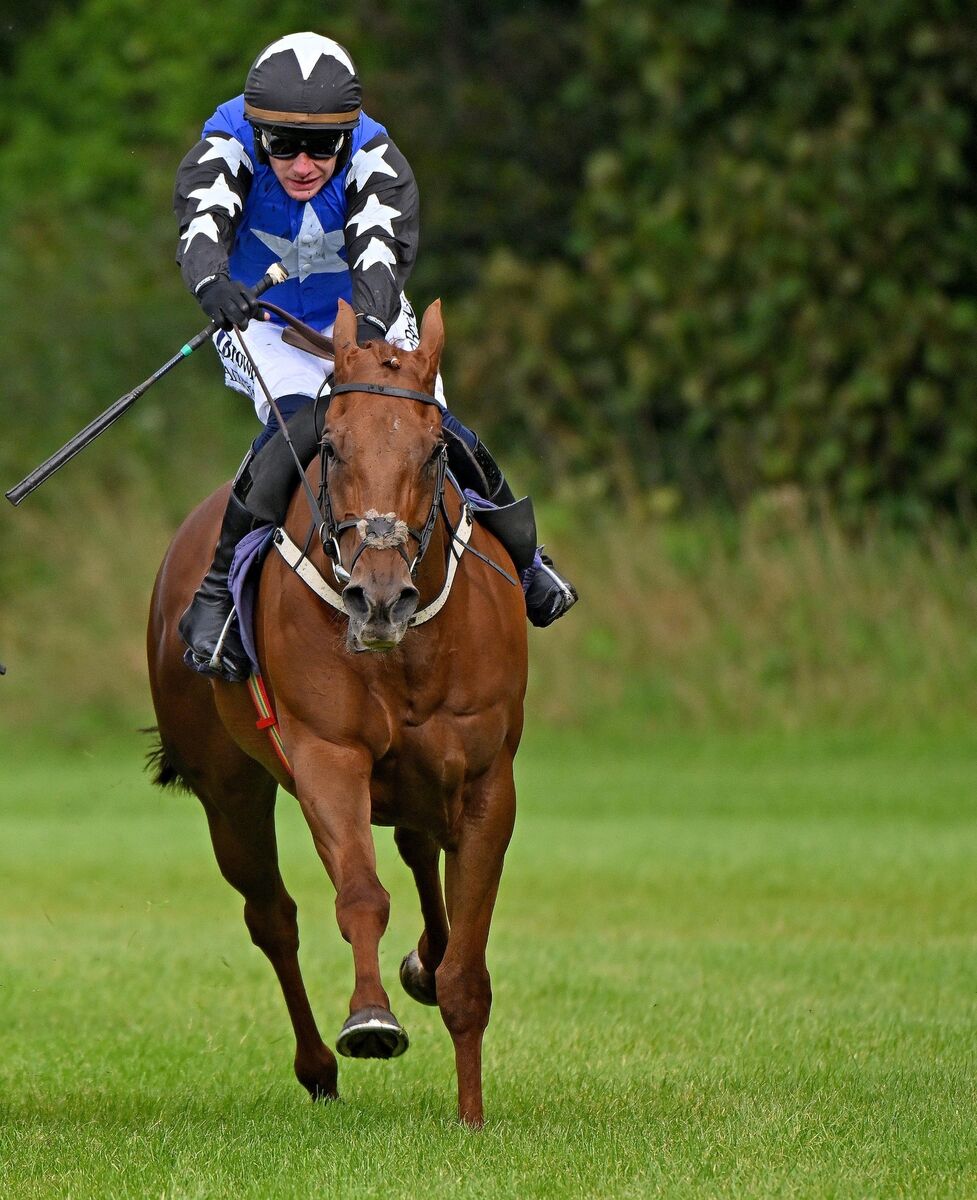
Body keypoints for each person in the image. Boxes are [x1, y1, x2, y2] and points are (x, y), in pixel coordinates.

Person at [174, 31, 576, 682]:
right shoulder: (227, 139)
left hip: (368, 317)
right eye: (282, 146)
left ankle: (529, 564)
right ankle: (217, 592)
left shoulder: (376, 156)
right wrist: (211, 283)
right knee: (304, 424)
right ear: (258, 132)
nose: (302, 164)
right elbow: (202, 225)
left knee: (430, 428)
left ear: (347, 133)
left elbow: (381, 263)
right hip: (266, 328)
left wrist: (358, 347)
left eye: (321, 147)